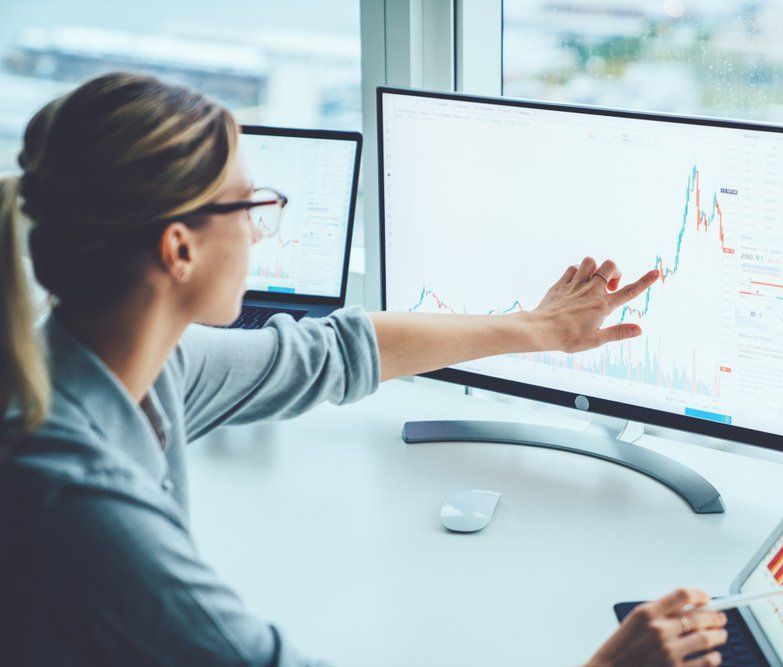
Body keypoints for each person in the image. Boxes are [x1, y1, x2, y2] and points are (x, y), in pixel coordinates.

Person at [0, 73, 728, 666]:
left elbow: (331, 352)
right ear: (178, 250)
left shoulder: (121, 365)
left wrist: (537, 328)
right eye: (250, 206)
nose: (260, 228)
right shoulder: (81, 502)